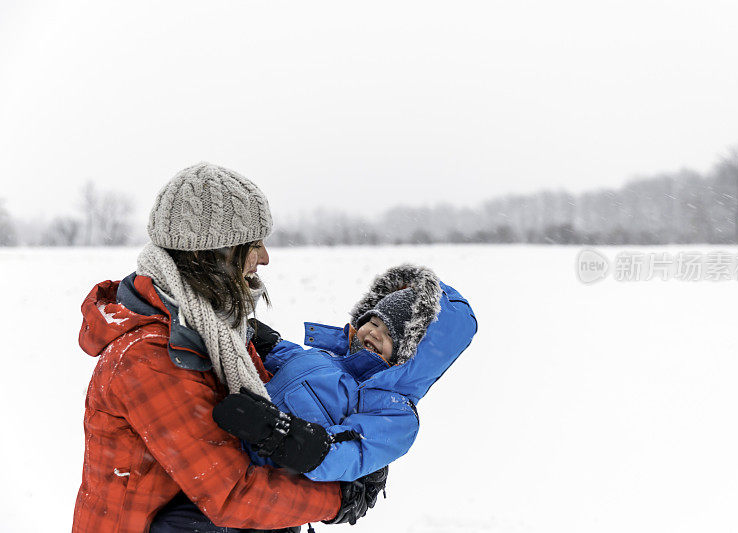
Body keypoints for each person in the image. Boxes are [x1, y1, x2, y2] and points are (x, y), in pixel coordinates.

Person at [73, 162, 379, 533]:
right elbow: (230, 492)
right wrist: (337, 498)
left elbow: (274, 406)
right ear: (209, 255)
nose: (264, 258)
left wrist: (342, 448)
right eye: (254, 245)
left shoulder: (214, 328)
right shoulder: (150, 358)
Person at [213, 263, 478, 484]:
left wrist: (278, 433)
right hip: (225, 443)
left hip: (263, 478)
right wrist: (270, 344)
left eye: (389, 335)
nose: (374, 333)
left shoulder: (394, 413)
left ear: (409, 356)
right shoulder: (332, 359)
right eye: (373, 322)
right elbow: (294, 361)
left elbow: (349, 452)